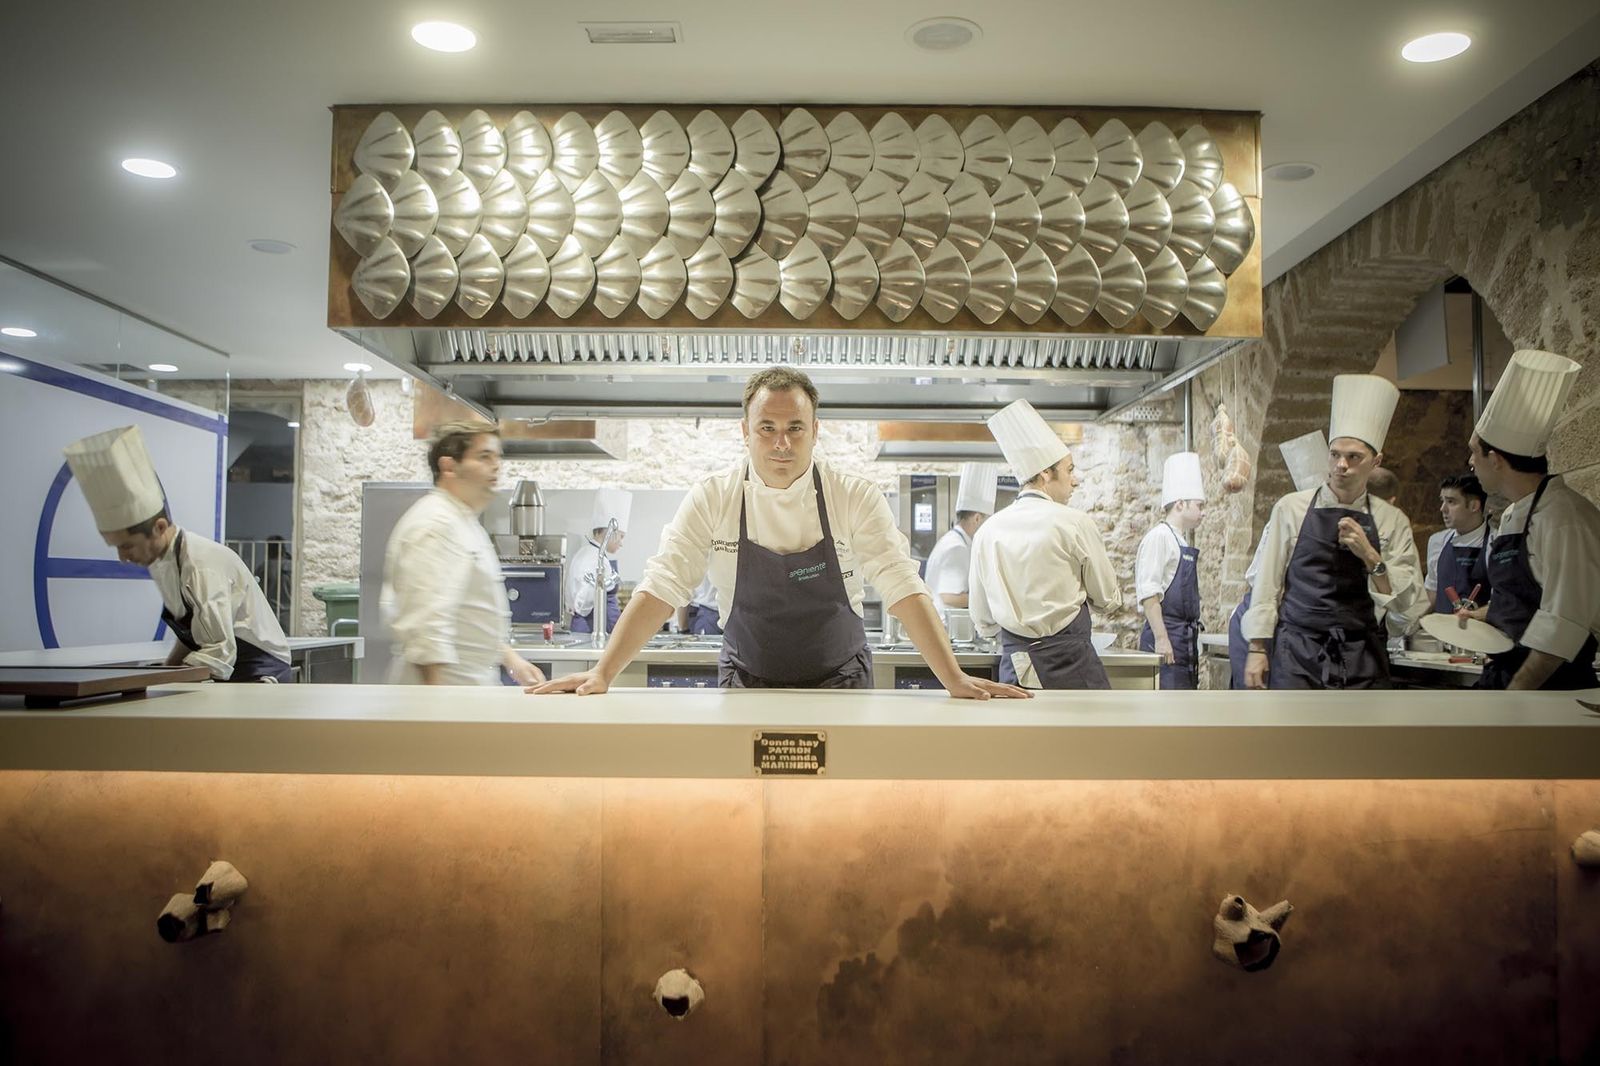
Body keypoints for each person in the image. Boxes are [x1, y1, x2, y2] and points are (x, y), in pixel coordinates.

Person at [530, 366, 1027, 699]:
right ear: (744, 431)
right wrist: (603, 672)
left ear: (816, 430)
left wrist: (953, 677)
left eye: (795, 428)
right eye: (767, 427)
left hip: (842, 683)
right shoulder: (714, 497)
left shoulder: (851, 496)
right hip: (746, 681)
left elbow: (902, 586)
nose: (781, 443)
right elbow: (663, 585)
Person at [63, 425, 294, 682]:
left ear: (160, 528)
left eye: (127, 546)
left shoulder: (201, 566)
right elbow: (192, 634)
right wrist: (166, 668)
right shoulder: (167, 562)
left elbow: (218, 653)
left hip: (260, 671)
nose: (123, 557)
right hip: (233, 669)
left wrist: (163, 680)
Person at [1242, 375, 1425, 689]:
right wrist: (1257, 648)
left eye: (1354, 457)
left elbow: (1407, 602)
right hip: (1297, 652)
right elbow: (1267, 583)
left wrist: (1370, 556)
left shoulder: (1391, 520)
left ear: (1376, 461)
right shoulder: (1291, 508)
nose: (1341, 465)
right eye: (1335, 454)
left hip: (1362, 653)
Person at [1467, 349, 1599, 690]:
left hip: (1549, 688)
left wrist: (1517, 694)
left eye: (1474, 452)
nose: (1470, 462)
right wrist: (1480, 617)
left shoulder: (1564, 518)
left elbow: (1563, 622)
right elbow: (1519, 603)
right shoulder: (1515, 513)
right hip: (1507, 675)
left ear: (1496, 460)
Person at [969, 399, 1122, 689]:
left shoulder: (987, 532)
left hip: (1019, 672)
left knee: (1024, 722)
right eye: (1069, 470)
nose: (1074, 481)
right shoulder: (1076, 523)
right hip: (1077, 669)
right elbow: (1107, 599)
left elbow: (984, 620)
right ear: (1044, 474)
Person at [379, 420, 544, 686]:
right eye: (484, 456)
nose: (496, 465)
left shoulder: (462, 521)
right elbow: (427, 627)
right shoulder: (436, 524)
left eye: (497, 457)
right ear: (449, 467)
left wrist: (512, 660)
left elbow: (469, 615)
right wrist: (437, 705)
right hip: (445, 688)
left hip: (468, 685)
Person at [1227, 431, 1326, 688]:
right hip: (1260, 620)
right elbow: (1262, 580)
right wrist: (1257, 647)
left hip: (1290, 629)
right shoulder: (1288, 519)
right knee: (1258, 705)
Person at [1136, 451, 1205, 689]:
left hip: (1183, 641)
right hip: (1166, 639)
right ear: (1180, 504)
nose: (1203, 512)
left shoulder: (1180, 541)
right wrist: (1162, 638)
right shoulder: (1159, 537)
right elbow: (1149, 594)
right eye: (1199, 505)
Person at [922, 462, 999, 614]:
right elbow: (949, 597)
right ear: (977, 518)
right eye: (987, 520)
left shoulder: (954, 541)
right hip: (946, 624)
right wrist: (991, 601)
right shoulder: (957, 548)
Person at [1424, 473, 1491, 615]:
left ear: (1474, 506)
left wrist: (1474, 615)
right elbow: (1432, 593)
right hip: (1442, 626)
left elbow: (1503, 600)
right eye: (1442, 501)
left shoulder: (1495, 542)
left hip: (1480, 627)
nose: (1442, 508)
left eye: (1451, 502)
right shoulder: (1437, 541)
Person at [566, 489, 631, 633]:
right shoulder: (594, 558)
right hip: (591, 631)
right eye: (621, 537)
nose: (621, 543)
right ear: (611, 533)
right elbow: (583, 605)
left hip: (595, 630)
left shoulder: (587, 553)